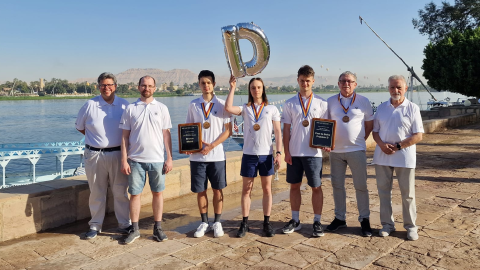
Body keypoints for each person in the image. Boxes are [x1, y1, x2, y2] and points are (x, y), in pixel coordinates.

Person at [75, 72, 131, 240]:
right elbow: (80, 127)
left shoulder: (124, 105)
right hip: (95, 155)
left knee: (120, 191)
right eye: (103, 85)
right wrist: (96, 141)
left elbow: (130, 130)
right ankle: (95, 225)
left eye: (110, 85)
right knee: (96, 191)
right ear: (98, 86)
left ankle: (125, 224)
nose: (107, 88)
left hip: (118, 154)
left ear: (115, 86)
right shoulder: (89, 105)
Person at [225, 75, 282, 238]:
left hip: (266, 155)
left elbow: (277, 132)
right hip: (249, 155)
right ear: (249, 90)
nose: (256, 90)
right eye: (253, 87)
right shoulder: (245, 108)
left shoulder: (271, 109)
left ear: (263, 89)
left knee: (267, 189)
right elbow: (228, 108)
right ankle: (244, 223)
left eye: (258, 87)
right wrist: (233, 87)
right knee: (246, 190)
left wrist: (278, 152)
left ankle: (266, 222)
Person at [119, 75, 173, 244]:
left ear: (155, 88)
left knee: (158, 193)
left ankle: (157, 228)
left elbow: (166, 135)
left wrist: (169, 158)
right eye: (144, 85)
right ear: (138, 87)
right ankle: (134, 229)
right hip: (135, 160)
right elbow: (124, 137)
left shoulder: (162, 108)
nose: (146, 88)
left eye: (150, 86)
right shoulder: (130, 109)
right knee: (135, 194)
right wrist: (124, 160)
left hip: (157, 159)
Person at [373, 75, 424, 241]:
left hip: (405, 157)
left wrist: (399, 146)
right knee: (383, 193)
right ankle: (387, 225)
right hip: (382, 157)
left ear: (405, 89)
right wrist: (381, 145)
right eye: (392, 87)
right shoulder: (381, 108)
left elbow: (418, 135)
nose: (396, 90)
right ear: (388, 88)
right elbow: (375, 132)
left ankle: (410, 227)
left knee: (408, 194)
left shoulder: (412, 108)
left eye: (399, 87)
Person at [281, 65, 329, 237]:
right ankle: (295, 220)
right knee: (294, 186)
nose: (305, 84)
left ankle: (317, 221)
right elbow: (286, 130)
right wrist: (286, 151)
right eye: (302, 81)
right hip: (294, 153)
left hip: (314, 153)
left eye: (308, 81)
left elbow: (326, 128)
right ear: (298, 81)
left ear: (313, 81)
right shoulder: (289, 103)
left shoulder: (322, 103)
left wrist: (327, 143)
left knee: (316, 187)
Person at [325, 71, 374, 237]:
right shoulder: (330, 101)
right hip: (336, 152)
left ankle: (365, 219)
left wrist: (359, 140)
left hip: (356, 151)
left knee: (361, 186)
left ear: (355, 84)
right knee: (337, 186)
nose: (346, 84)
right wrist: (326, 143)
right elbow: (325, 125)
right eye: (343, 81)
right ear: (338, 84)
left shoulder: (364, 101)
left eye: (350, 81)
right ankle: (340, 218)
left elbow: (369, 125)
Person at [185, 70, 232, 238]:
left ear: (213, 85)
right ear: (199, 84)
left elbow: (228, 131)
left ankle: (217, 222)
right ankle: (204, 222)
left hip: (217, 155)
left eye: (208, 83)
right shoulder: (193, 105)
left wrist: (211, 146)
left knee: (218, 190)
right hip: (197, 156)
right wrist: (189, 145)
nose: (206, 86)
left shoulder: (222, 105)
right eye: (203, 83)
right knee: (201, 190)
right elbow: (189, 129)